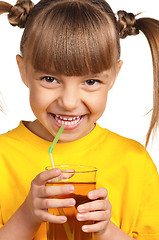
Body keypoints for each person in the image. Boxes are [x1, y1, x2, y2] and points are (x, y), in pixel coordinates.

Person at [0, 0, 159, 239]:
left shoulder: (134, 163)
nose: (69, 102)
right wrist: (26, 217)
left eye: (91, 82)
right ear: (23, 70)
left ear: (114, 76)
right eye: (50, 78)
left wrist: (106, 231)